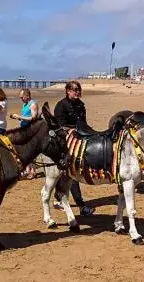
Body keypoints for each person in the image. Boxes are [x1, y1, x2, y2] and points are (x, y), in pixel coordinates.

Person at [53, 81, 95, 216]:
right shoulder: (61, 105)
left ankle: (58, 198)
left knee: (65, 174)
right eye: (74, 90)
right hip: (64, 141)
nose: (77, 92)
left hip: (79, 138)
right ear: (68, 91)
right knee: (72, 171)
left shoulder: (81, 105)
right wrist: (72, 130)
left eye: (79, 90)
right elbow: (59, 126)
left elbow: (84, 123)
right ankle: (81, 206)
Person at [11, 89, 38, 179]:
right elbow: (26, 117)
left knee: (32, 151)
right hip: (24, 130)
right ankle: (27, 170)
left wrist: (19, 117)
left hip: (31, 130)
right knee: (24, 151)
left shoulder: (33, 104)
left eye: (22, 97)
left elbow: (33, 117)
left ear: (27, 96)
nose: (21, 99)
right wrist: (18, 118)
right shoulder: (25, 104)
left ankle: (33, 171)